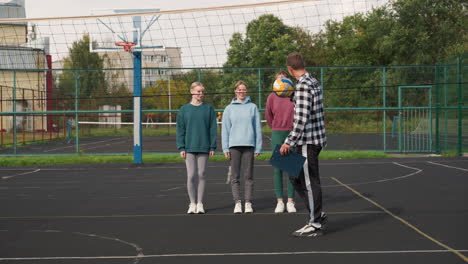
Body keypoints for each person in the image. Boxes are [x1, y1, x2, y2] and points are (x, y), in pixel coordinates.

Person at [280, 52, 327, 237]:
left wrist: (288, 142)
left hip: (307, 141)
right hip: (308, 140)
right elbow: (307, 106)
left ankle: (314, 223)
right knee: (295, 177)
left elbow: (301, 119)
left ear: (291, 69)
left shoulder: (303, 86)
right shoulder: (312, 81)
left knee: (309, 181)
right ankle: (317, 213)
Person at [176, 82, 217, 214]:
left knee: (202, 174)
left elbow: (213, 129)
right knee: (191, 175)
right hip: (189, 147)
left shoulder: (209, 109)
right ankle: (192, 203)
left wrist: (212, 146)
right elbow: (180, 130)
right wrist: (181, 147)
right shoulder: (184, 110)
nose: (201, 94)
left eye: (202, 92)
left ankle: (200, 203)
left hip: (204, 146)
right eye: (198, 91)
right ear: (191, 91)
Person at [222, 80, 262, 214]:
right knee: (235, 176)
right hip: (234, 146)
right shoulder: (229, 108)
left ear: (246, 91)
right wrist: (225, 148)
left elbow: (257, 129)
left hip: (249, 145)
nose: (241, 91)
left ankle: (248, 202)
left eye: (243, 89)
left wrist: (258, 147)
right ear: (235, 91)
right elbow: (225, 130)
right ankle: (238, 202)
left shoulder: (253, 107)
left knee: (249, 175)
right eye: (239, 89)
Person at [265, 71, 297, 213]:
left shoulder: (294, 95)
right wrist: (277, 128)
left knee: (292, 169)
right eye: (279, 80)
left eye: (284, 79)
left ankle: (290, 201)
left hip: (292, 132)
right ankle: (280, 202)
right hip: (278, 132)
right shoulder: (271, 97)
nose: (281, 82)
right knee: (277, 168)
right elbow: (269, 116)